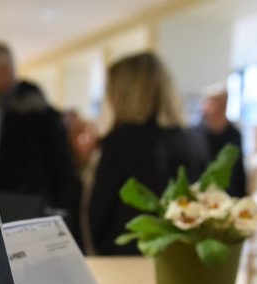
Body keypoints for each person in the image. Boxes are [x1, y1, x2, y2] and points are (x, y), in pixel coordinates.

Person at [87, 52, 210, 255]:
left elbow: (100, 214)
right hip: (183, 257)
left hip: (128, 257)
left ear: (124, 95)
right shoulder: (193, 140)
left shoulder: (120, 142)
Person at [0, 42, 80, 222]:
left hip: (28, 206)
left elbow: (60, 163)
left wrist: (59, 208)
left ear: (5, 70)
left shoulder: (36, 111)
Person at [197, 83, 248, 198]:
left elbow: (240, 172)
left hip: (229, 195)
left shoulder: (234, 134)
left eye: (222, 104)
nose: (218, 108)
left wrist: (242, 198)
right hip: (202, 196)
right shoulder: (195, 134)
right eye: (214, 103)